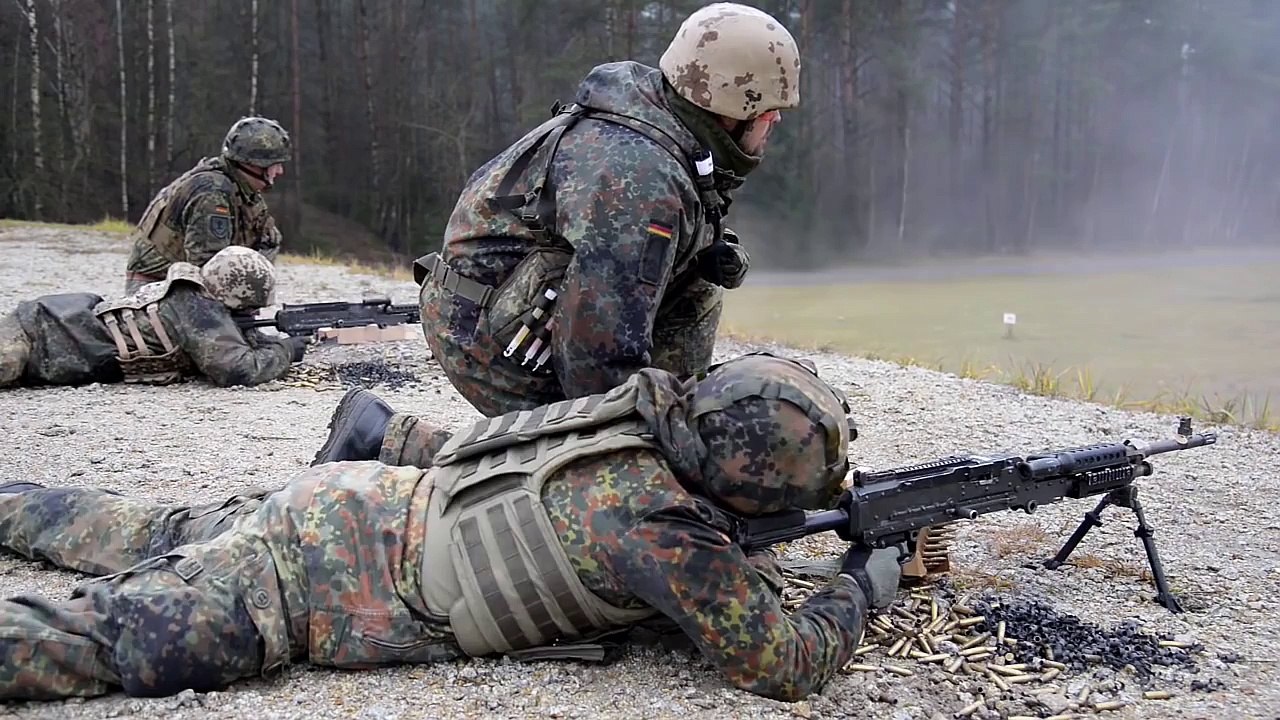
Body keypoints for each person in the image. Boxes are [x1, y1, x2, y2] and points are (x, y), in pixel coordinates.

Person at [0, 353, 902, 702]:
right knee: (91, 641)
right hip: (299, 588)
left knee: (132, 528)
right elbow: (784, 662)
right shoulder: (662, 529)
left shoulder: (640, 414)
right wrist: (862, 584)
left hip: (346, 500)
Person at [413, 2, 800, 416]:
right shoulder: (644, 181)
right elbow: (597, 362)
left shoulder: (665, 125)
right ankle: (396, 441)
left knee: (698, 286)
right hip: (483, 335)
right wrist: (635, 431)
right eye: (767, 109)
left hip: (506, 304)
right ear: (732, 108)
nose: (775, 119)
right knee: (623, 463)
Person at [0, 246, 306, 389]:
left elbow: (234, 343)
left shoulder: (202, 299)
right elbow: (236, 369)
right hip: (38, 331)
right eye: (250, 308)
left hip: (51, 334)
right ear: (234, 296)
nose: (253, 315)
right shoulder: (196, 307)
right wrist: (286, 351)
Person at [124, 116, 292, 293]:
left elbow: (265, 242)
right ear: (256, 164)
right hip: (159, 290)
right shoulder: (212, 193)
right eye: (275, 164)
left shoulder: (241, 188)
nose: (280, 171)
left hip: (185, 286)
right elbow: (208, 265)